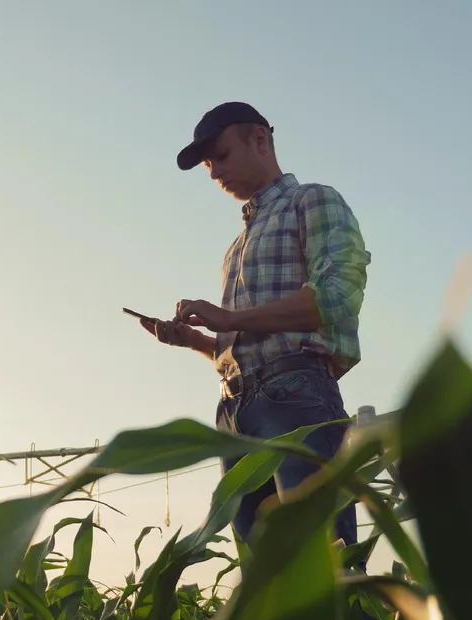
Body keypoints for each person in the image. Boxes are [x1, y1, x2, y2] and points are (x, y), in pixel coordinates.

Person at [139, 101, 371, 555]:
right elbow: (249, 348)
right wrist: (196, 341)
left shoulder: (312, 201)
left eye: (221, 156)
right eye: (207, 165)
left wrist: (230, 319)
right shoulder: (236, 247)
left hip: (296, 398)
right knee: (264, 577)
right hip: (235, 411)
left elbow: (337, 297)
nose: (213, 172)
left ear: (260, 139)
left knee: (325, 563)